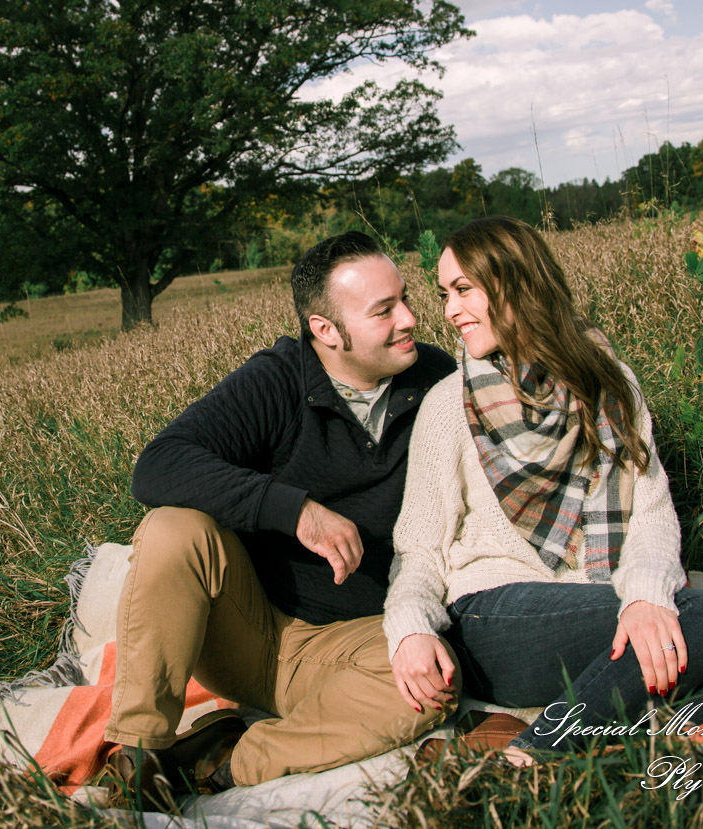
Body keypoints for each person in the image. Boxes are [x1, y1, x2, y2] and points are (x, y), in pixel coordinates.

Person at [383, 216, 703, 765]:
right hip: (493, 619)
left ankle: (567, 733)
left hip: (591, 599)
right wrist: (410, 628)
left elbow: (651, 514)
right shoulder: (448, 405)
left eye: (464, 290)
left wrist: (645, 597)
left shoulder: (609, 382)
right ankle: (541, 753)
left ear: (516, 285)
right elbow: (419, 548)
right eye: (444, 293)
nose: (448, 311)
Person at [103, 231, 458, 805]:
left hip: (359, 643)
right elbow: (158, 465)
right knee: (173, 530)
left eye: (406, 299)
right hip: (251, 631)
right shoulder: (278, 379)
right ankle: (140, 758)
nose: (411, 319)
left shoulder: (435, 379)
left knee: (434, 681)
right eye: (384, 310)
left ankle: (227, 760)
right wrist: (295, 512)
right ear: (326, 331)